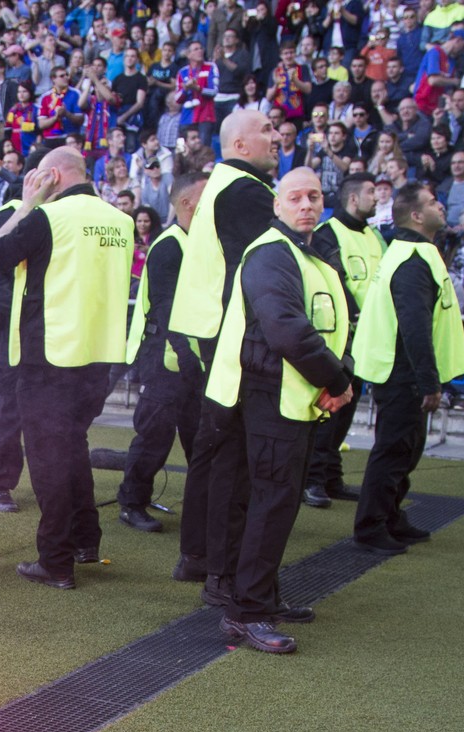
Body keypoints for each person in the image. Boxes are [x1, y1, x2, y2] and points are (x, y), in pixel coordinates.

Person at [203, 167, 354, 653]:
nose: (306, 204)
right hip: (271, 396)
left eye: (314, 196)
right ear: (277, 205)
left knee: (276, 502)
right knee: (270, 504)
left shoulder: (303, 254)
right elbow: (287, 328)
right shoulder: (273, 252)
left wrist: (337, 377)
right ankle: (246, 611)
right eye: (295, 197)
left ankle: (259, 597)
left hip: (292, 396)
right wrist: (338, 379)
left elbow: (334, 324)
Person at [0, 146, 135, 589]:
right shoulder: (121, 221)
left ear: (50, 175)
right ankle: (86, 541)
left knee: (49, 459)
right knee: (73, 449)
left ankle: (56, 560)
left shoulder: (49, 216)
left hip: (49, 355)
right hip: (98, 355)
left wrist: (29, 202)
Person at [166, 108, 280, 602]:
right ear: (239, 145)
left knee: (215, 456)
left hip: (211, 335)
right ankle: (222, 572)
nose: (278, 136)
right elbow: (258, 271)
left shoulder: (223, 185)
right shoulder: (245, 190)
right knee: (232, 462)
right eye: (268, 131)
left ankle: (203, 560)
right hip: (232, 338)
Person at [352, 183, 464, 555]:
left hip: (398, 367)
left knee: (406, 449)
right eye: (433, 202)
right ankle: (372, 526)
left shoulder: (410, 252)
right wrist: (428, 381)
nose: (442, 206)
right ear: (417, 215)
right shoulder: (414, 259)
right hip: (401, 370)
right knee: (394, 450)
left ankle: (389, 516)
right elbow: (414, 325)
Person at [116, 172, 210, 532]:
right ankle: (132, 502)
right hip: (164, 354)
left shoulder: (196, 242)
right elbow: (164, 308)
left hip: (187, 355)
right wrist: (188, 358)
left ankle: (205, 506)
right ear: (187, 203)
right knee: (155, 435)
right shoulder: (170, 246)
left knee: (198, 436)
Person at [302, 171, 384, 509]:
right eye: (371, 192)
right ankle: (313, 479)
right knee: (330, 410)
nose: (377, 198)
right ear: (353, 198)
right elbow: (333, 283)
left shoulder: (376, 236)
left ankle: (330, 477)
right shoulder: (327, 234)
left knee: (346, 410)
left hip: (367, 338)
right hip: (340, 337)